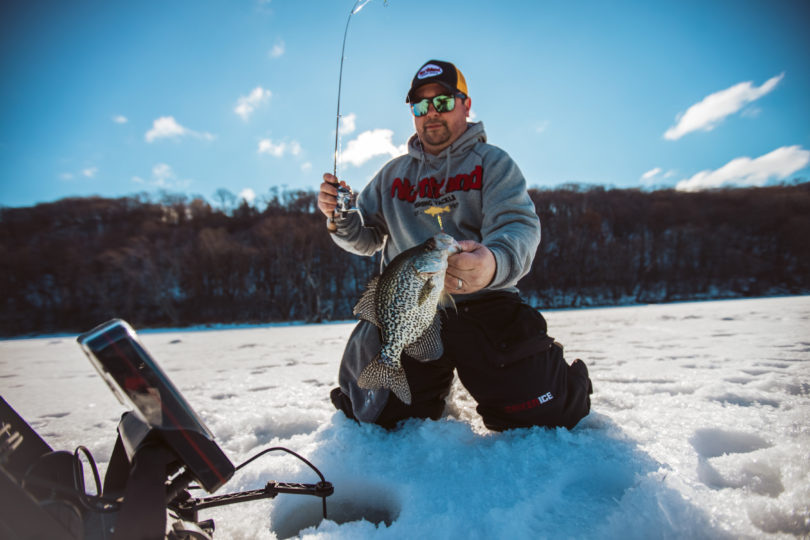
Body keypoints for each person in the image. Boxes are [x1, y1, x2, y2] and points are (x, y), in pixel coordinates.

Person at [318, 59, 592, 431]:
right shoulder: (391, 175)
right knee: (378, 418)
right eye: (420, 105)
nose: (431, 113)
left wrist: (491, 264)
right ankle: (426, 384)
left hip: (486, 302)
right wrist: (339, 216)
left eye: (443, 102)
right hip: (408, 305)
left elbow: (517, 225)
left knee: (542, 414)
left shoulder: (493, 163)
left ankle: (557, 384)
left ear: (465, 104)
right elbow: (365, 238)